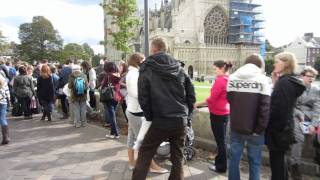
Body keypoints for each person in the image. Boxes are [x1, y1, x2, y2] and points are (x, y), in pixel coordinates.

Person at [132, 37, 196, 180]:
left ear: (153, 50)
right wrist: (186, 115)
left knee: (145, 153)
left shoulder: (146, 68)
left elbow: (143, 98)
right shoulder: (179, 68)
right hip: (179, 120)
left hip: (161, 119)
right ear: (166, 49)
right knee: (178, 157)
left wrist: (150, 117)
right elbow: (191, 96)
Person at [227, 54, 271, 180]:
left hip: (236, 127)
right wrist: (260, 129)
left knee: (234, 160)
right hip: (255, 130)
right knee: (255, 162)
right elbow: (265, 109)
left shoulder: (232, 77)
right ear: (259, 65)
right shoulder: (263, 79)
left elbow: (230, 100)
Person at [125, 53, 167, 173]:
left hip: (133, 110)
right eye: (143, 60)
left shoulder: (134, 73)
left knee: (132, 137)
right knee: (144, 142)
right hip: (136, 112)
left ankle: (132, 163)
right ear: (137, 61)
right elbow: (136, 93)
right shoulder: (133, 74)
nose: (145, 62)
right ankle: (151, 166)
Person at [267, 52, 306, 180]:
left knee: (276, 165)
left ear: (286, 64)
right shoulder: (289, 81)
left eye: (277, 61)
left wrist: (271, 128)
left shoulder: (284, 83)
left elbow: (278, 110)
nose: (274, 64)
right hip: (285, 129)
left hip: (278, 131)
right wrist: (275, 83)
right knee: (281, 163)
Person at [194, 60, 232, 173]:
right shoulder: (228, 79)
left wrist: (197, 104)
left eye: (215, 69)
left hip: (217, 114)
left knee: (221, 141)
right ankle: (221, 162)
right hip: (225, 112)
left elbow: (212, 99)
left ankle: (221, 166)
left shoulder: (220, 81)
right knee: (223, 140)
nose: (214, 71)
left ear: (221, 69)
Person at [286, 66, 319, 179]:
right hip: (295, 114)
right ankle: (295, 164)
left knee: (311, 133)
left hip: (309, 116)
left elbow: (317, 108)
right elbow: (290, 104)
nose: (311, 78)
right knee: (298, 135)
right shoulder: (295, 87)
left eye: (313, 77)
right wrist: (298, 113)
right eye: (308, 76)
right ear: (302, 76)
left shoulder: (316, 90)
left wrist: (313, 125)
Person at [101, 61, 121, 138]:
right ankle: (112, 133)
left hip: (109, 97)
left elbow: (103, 85)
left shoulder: (108, 76)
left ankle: (116, 133)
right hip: (117, 96)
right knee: (113, 114)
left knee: (111, 116)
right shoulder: (118, 75)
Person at [0, 72, 10, 144]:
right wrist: (8, 99)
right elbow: (7, 91)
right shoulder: (3, 78)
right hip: (3, 101)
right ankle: (6, 137)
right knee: (3, 119)